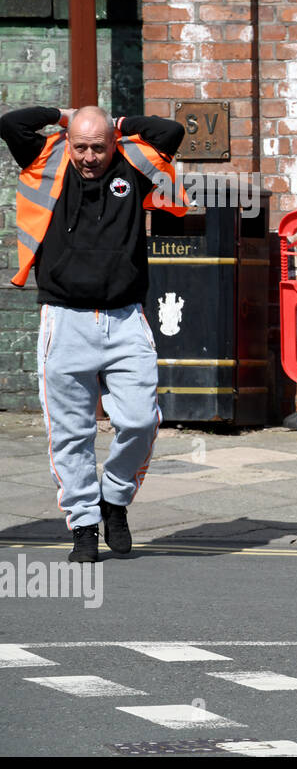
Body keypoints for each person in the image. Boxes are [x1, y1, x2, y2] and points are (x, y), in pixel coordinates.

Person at [2, 104, 185, 563]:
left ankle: (115, 500)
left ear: (112, 145)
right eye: (80, 147)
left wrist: (120, 125)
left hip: (124, 318)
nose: (88, 157)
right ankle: (84, 525)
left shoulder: (133, 167)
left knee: (141, 420)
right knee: (70, 433)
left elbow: (172, 131)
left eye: (97, 148)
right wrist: (65, 116)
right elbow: (11, 124)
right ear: (68, 142)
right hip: (64, 319)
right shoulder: (45, 163)